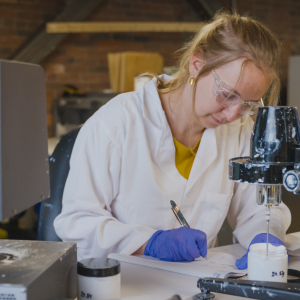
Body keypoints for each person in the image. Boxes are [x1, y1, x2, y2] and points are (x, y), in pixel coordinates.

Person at [54, 11, 291, 269]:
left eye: (247, 104)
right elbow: (76, 223)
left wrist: (265, 238)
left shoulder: (238, 131)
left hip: (196, 285)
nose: (233, 114)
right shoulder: (116, 123)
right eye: (227, 95)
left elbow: (258, 209)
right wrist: (150, 243)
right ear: (196, 65)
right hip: (124, 284)